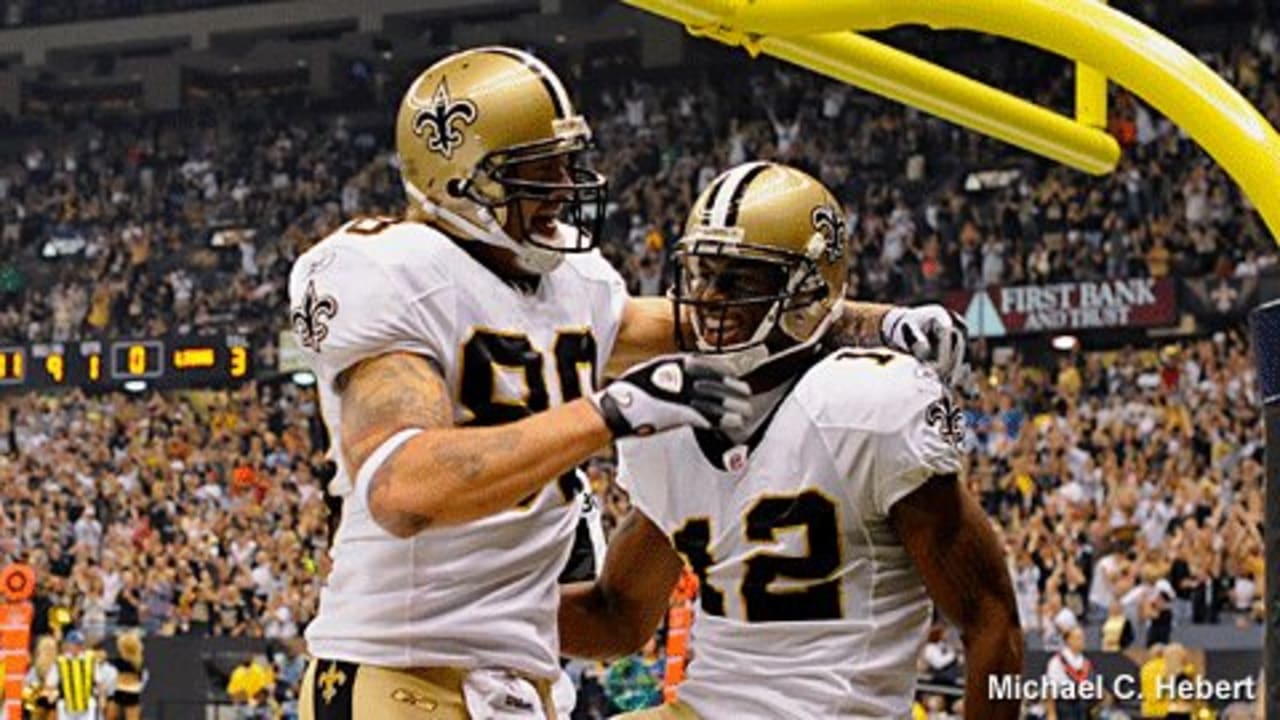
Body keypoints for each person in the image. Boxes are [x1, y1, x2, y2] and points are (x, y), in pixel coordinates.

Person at [291, 48, 967, 719]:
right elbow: (405, 488)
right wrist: (609, 412)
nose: (562, 187)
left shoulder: (572, 285)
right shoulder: (390, 271)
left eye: (565, 162)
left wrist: (880, 321)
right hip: (401, 664)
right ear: (461, 181)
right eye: (536, 171)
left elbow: (719, 320)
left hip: (510, 671)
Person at [557, 162, 1021, 719]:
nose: (707, 297)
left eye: (738, 280)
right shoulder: (674, 414)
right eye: (700, 273)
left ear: (804, 294)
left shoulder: (868, 403)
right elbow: (617, 614)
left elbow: (991, 619)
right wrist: (476, 616)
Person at [43, 630, 117, 720]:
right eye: (74, 644)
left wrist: (102, 698)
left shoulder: (90, 660)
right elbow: (51, 683)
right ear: (67, 645)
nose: (76, 647)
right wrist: (51, 693)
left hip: (87, 703)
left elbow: (99, 682)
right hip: (66, 703)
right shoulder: (60, 662)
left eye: (79, 644)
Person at [1045, 627, 1095, 720]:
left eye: (1083, 638)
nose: (1082, 641)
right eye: (1078, 638)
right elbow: (1050, 689)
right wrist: (1051, 714)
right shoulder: (1057, 661)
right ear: (1069, 640)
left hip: (1082, 707)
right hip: (1064, 707)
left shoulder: (1085, 662)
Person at [104, 630, 146, 720]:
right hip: (131, 694)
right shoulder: (139, 663)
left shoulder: (116, 663)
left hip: (120, 693)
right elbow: (142, 680)